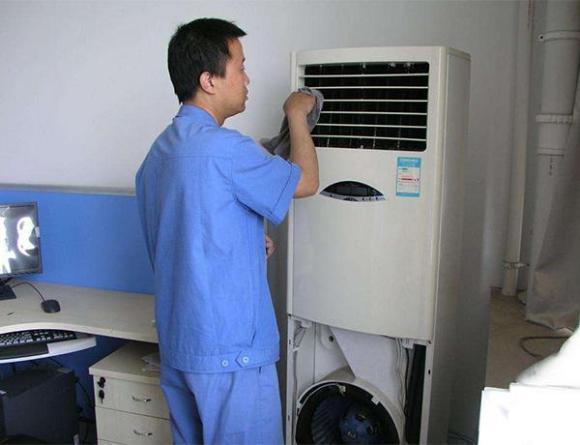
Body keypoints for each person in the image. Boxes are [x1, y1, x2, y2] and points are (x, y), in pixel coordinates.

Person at [135, 18, 319, 445]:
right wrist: (296, 114)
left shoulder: (157, 154)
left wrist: (247, 241)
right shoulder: (226, 149)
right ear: (209, 80)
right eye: (240, 67)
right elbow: (306, 181)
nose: (247, 79)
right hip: (231, 354)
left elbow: (186, 236)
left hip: (181, 347)